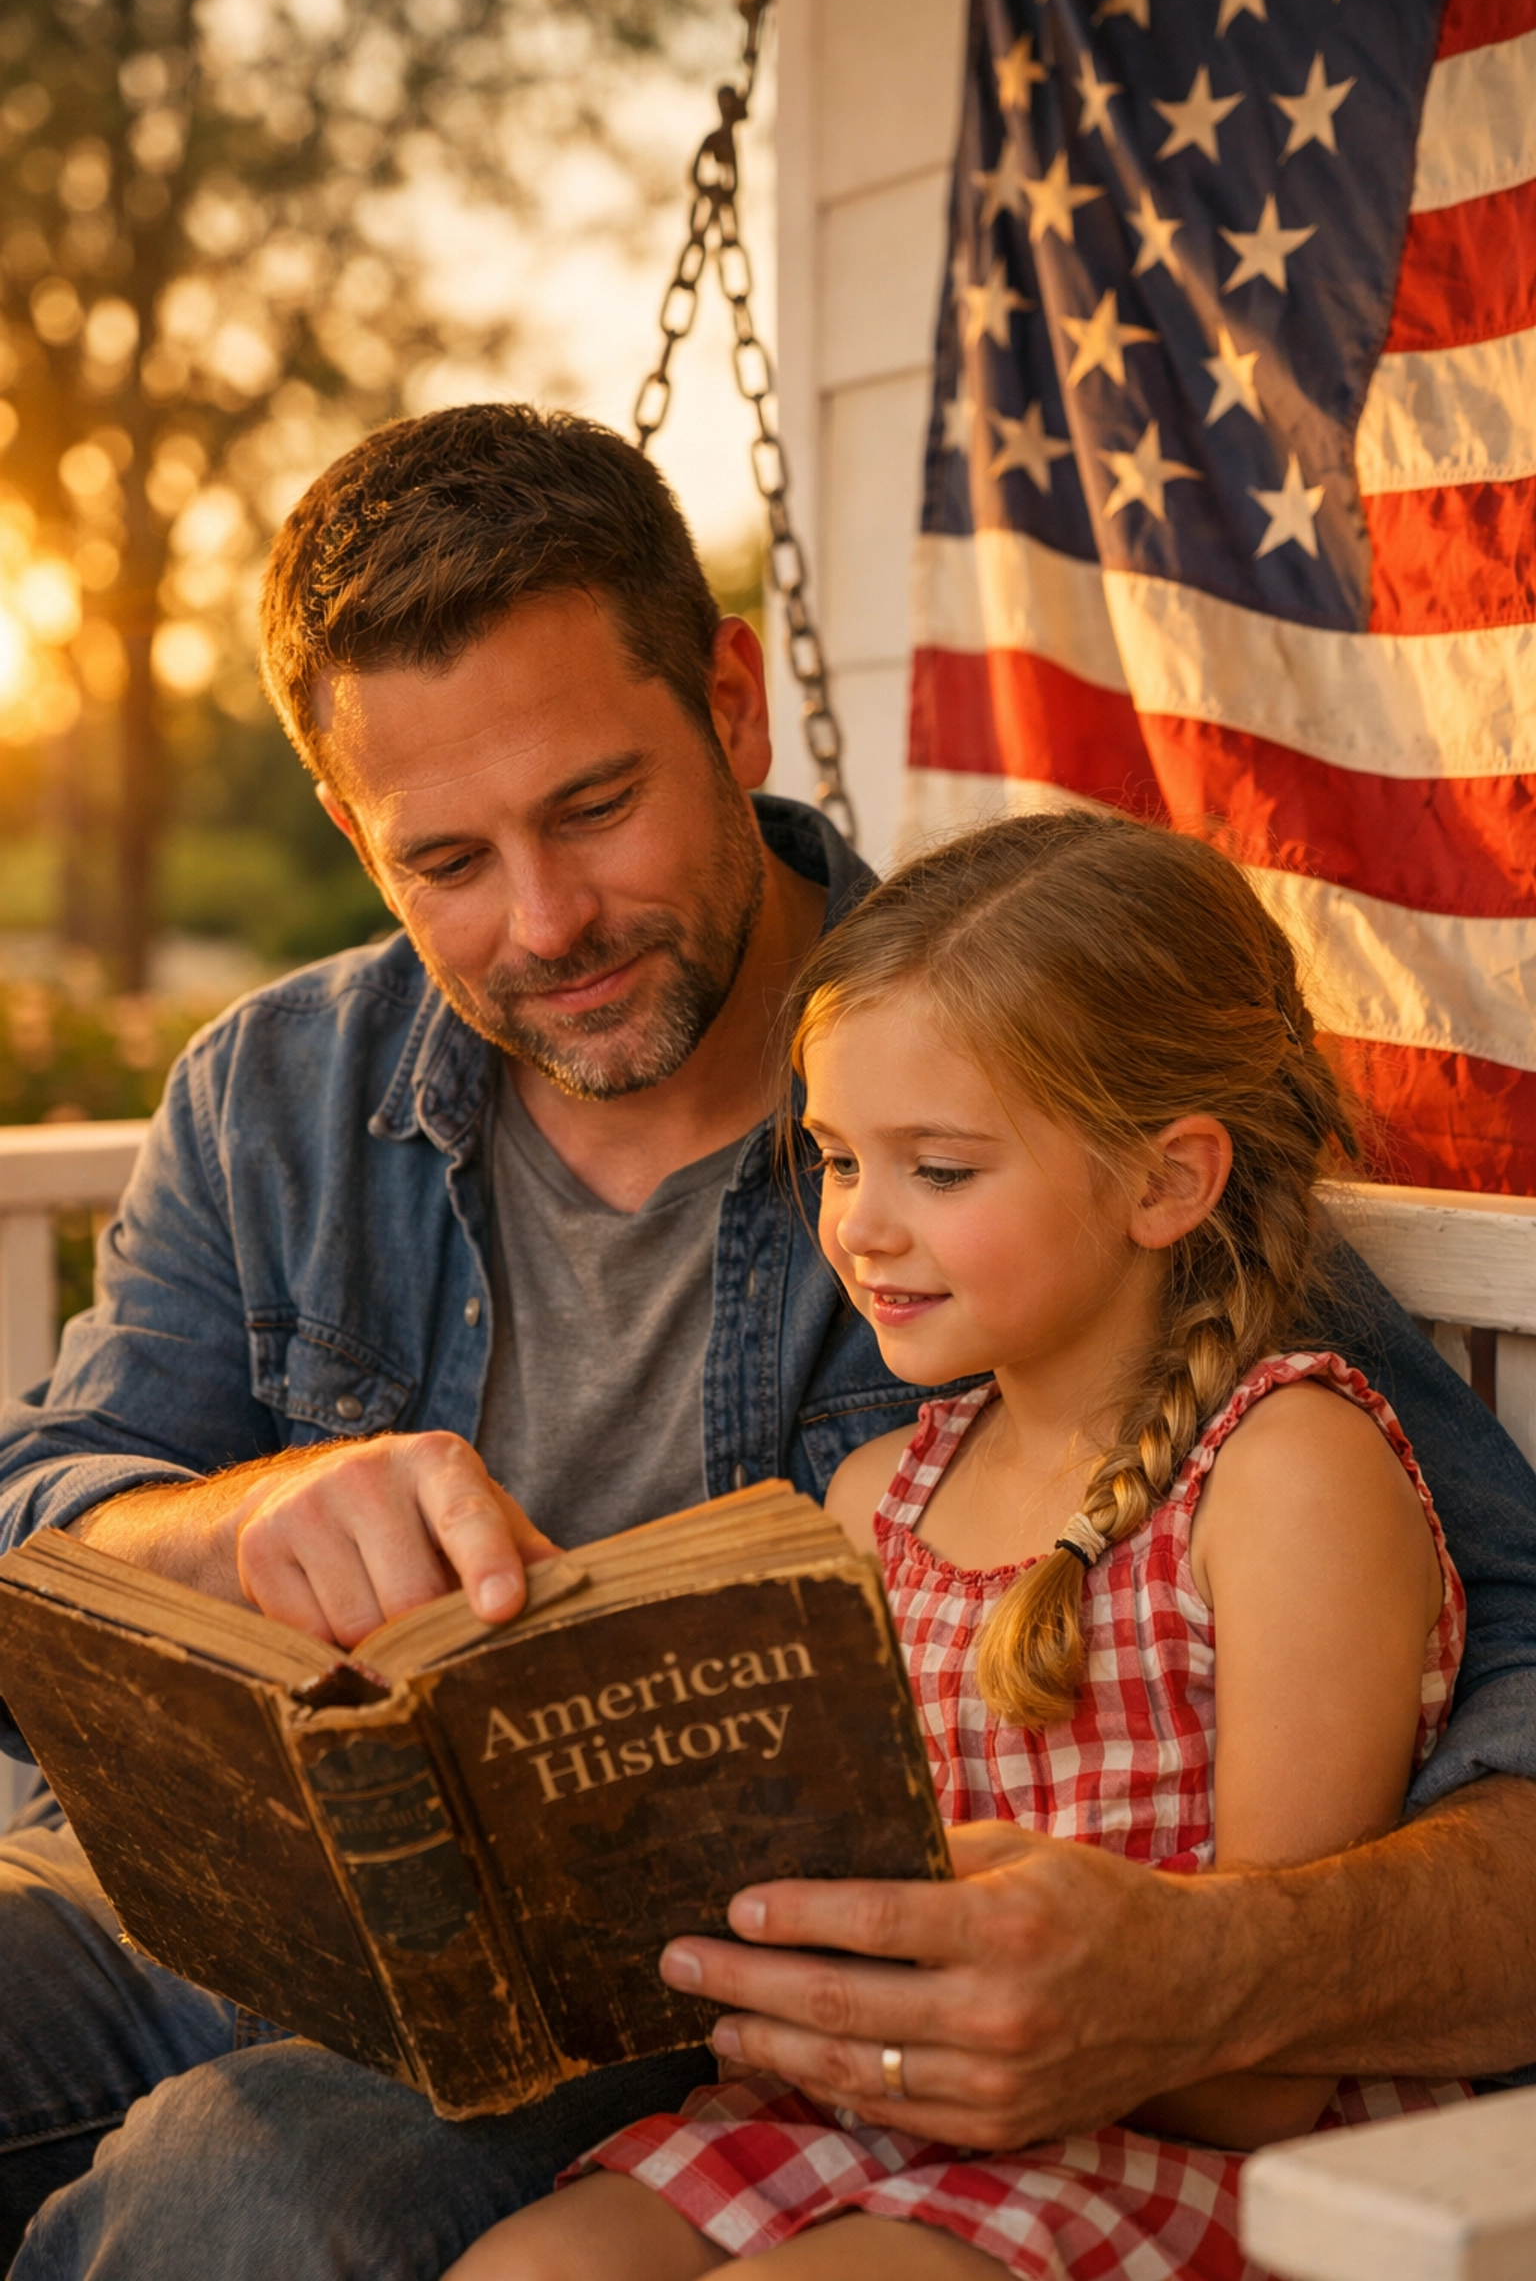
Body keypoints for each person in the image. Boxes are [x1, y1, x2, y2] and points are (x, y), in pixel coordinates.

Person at [0, 406, 1530, 2281]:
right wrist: (234, 1526)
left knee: (244, 2188)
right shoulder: (273, 1092)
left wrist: (1212, 1975)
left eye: (593, 807)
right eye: (448, 860)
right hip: (180, 1911)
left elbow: (1509, 1663)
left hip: (667, 2025)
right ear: (348, 824)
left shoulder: (1014, 1066)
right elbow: (42, 1527)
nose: (546, 924)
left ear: (731, 703)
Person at [448, 813, 1473, 2281]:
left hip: (1163, 2147)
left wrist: (947, 1982)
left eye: (939, 1168)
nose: (860, 1227)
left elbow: (1265, 2073)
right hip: (870, 2116)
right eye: (840, 1159)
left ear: (1166, 1183)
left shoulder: (1286, 1476)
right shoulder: (880, 1500)